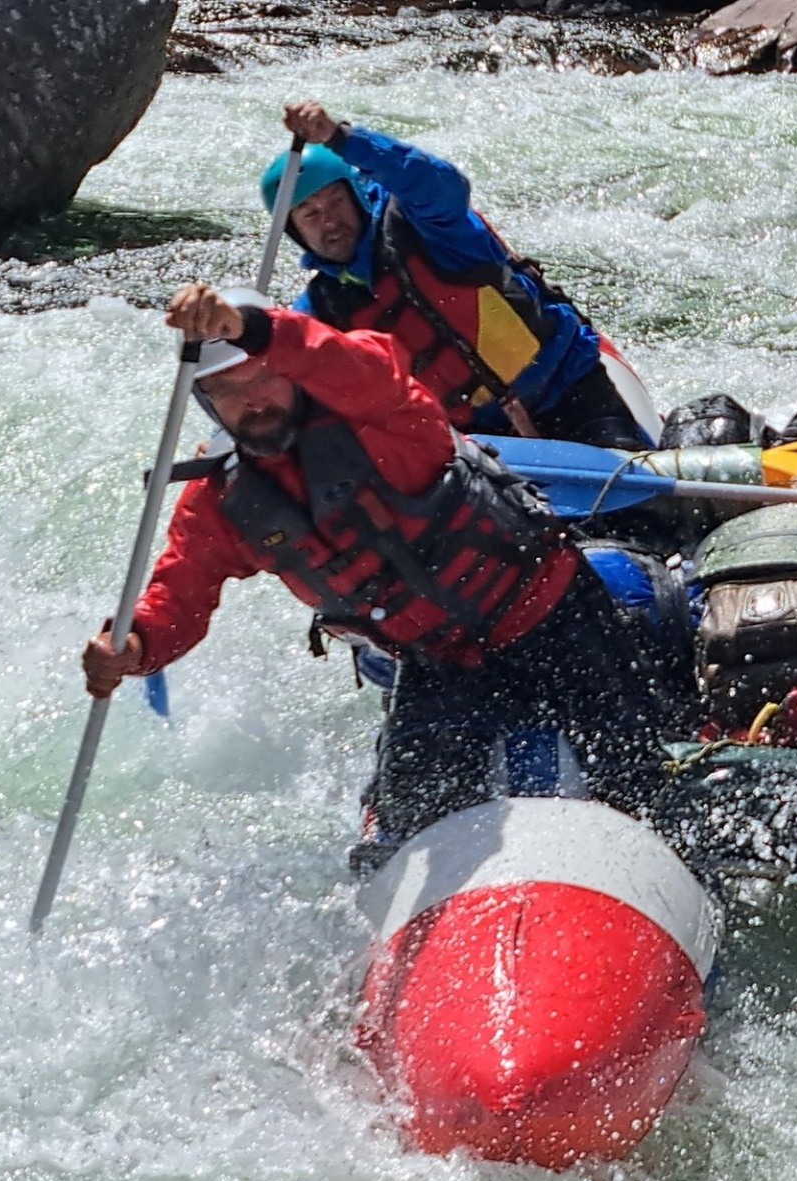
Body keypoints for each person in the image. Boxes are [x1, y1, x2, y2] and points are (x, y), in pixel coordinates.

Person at [81, 285, 691, 858]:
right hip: (443, 663)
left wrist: (257, 329)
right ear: (206, 405)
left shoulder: (384, 415)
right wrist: (134, 644)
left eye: (264, 377)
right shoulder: (223, 502)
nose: (255, 401)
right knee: (405, 830)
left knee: (639, 781)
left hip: (550, 616)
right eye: (230, 393)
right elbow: (179, 591)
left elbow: (366, 362)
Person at [263, 100, 651, 451]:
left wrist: (341, 138)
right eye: (310, 215)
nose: (330, 222)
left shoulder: (429, 228)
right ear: (295, 231)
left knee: (641, 510)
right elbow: (277, 373)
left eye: (336, 201)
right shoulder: (322, 307)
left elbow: (439, 182)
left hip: (568, 388)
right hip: (480, 441)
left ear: (358, 196)